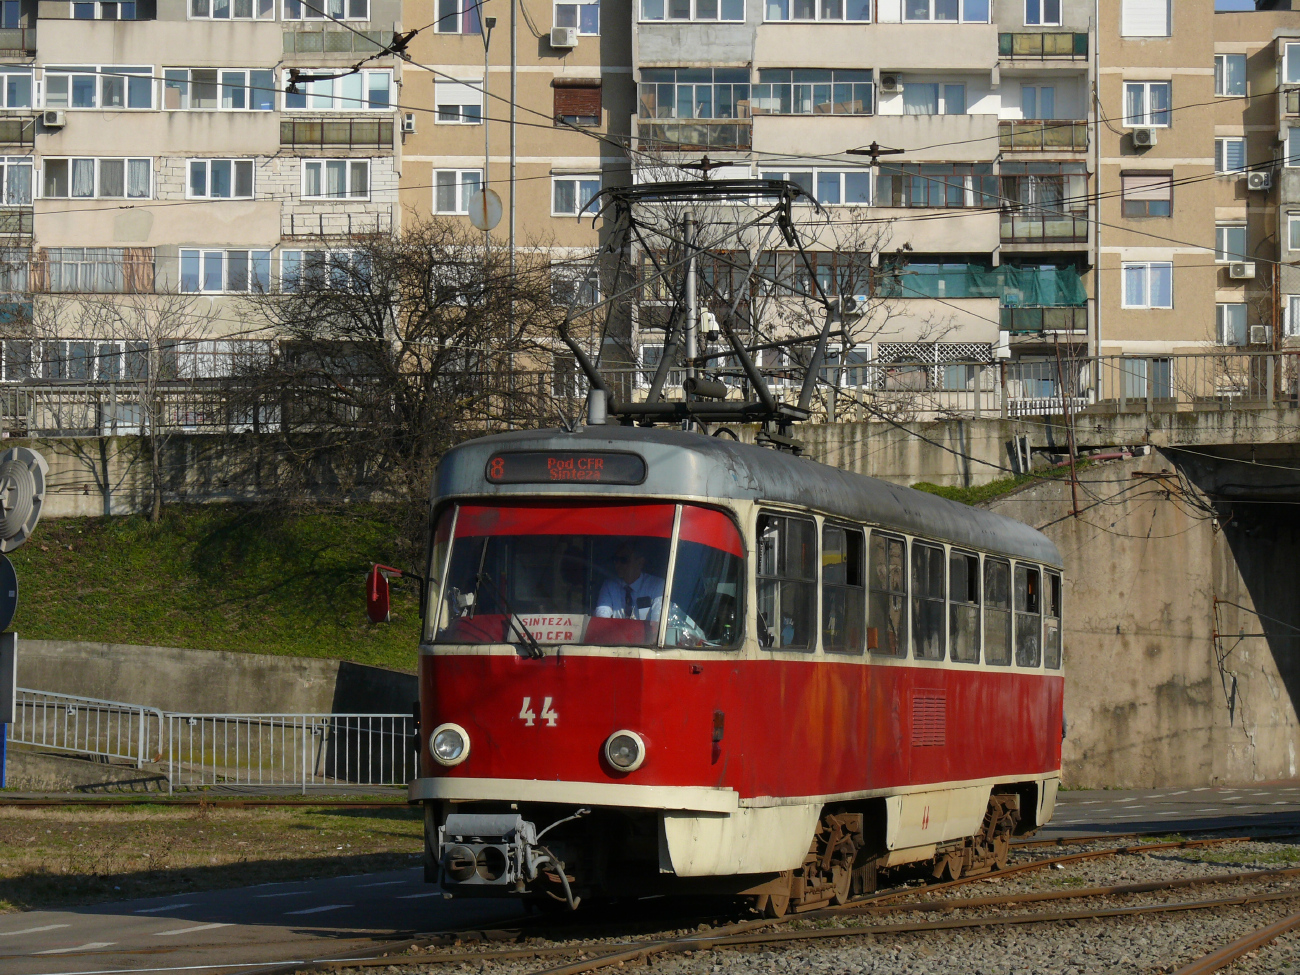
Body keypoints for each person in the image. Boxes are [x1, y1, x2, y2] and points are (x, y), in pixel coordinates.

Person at [594, 541, 664, 622]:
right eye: (616, 560)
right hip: (615, 630)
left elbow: (657, 621)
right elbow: (602, 616)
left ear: (640, 562)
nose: (618, 564)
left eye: (624, 560)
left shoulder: (657, 586)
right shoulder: (609, 586)